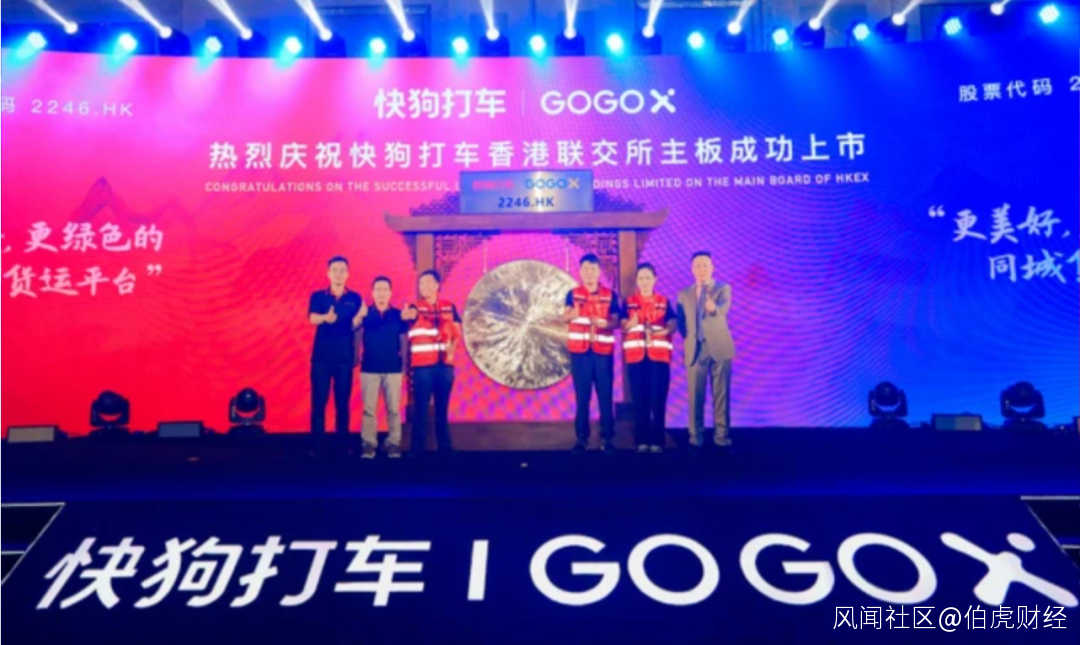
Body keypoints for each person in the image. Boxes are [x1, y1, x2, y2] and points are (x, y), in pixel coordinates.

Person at [677, 251, 736, 452]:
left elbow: (723, 308)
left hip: (719, 347)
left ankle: (721, 436)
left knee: (721, 394)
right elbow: (681, 321)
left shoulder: (723, 288)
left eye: (705, 265)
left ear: (712, 268)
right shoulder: (684, 294)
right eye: (698, 266)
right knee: (695, 396)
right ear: (692, 269)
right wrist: (690, 340)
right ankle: (696, 436)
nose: (701, 269)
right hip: (696, 349)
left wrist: (713, 309)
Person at [563, 254, 621, 455]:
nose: (589, 273)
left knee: (605, 395)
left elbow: (616, 322)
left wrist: (605, 323)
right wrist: (572, 314)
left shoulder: (610, 295)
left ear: (598, 272)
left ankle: (607, 438)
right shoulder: (572, 294)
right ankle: (581, 438)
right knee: (582, 396)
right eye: (586, 269)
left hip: (603, 353)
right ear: (580, 272)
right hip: (580, 353)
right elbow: (564, 318)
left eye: (593, 269)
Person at [308, 256, 366, 452]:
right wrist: (326, 317)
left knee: (342, 404)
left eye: (342, 270)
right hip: (321, 359)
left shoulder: (355, 298)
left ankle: (342, 445)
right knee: (318, 404)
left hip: (344, 359)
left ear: (348, 274)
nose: (339, 274)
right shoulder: (318, 296)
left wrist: (360, 316)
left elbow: (356, 326)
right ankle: (317, 445)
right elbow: (312, 318)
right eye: (335, 270)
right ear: (328, 273)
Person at [404, 270, 462, 456]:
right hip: (422, 368)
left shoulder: (449, 306)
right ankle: (416, 450)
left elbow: (457, 331)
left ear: (437, 285)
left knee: (442, 409)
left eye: (428, 282)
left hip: (445, 367)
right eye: (421, 283)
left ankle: (445, 448)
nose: (424, 286)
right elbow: (409, 316)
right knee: (420, 409)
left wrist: (452, 349)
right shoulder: (415, 307)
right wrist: (407, 314)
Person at [622, 263, 677, 454]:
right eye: (641, 278)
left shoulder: (664, 302)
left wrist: (660, 332)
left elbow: (672, 325)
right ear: (637, 281)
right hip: (636, 358)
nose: (644, 282)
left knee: (658, 398)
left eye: (648, 278)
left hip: (659, 357)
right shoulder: (629, 302)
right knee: (639, 399)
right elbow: (622, 325)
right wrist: (631, 323)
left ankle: (658, 441)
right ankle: (641, 440)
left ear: (655, 280)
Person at [357, 277, 410, 460]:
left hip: (393, 368)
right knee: (369, 410)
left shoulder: (398, 314)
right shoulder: (365, 314)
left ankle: (394, 443)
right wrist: (356, 358)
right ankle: (368, 444)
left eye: (385, 289)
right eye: (378, 289)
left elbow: (403, 341)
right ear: (372, 293)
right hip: (369, 368)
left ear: (390, 293)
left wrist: (404, 365)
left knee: (394, 409)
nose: (381, 293)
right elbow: (356, 335)